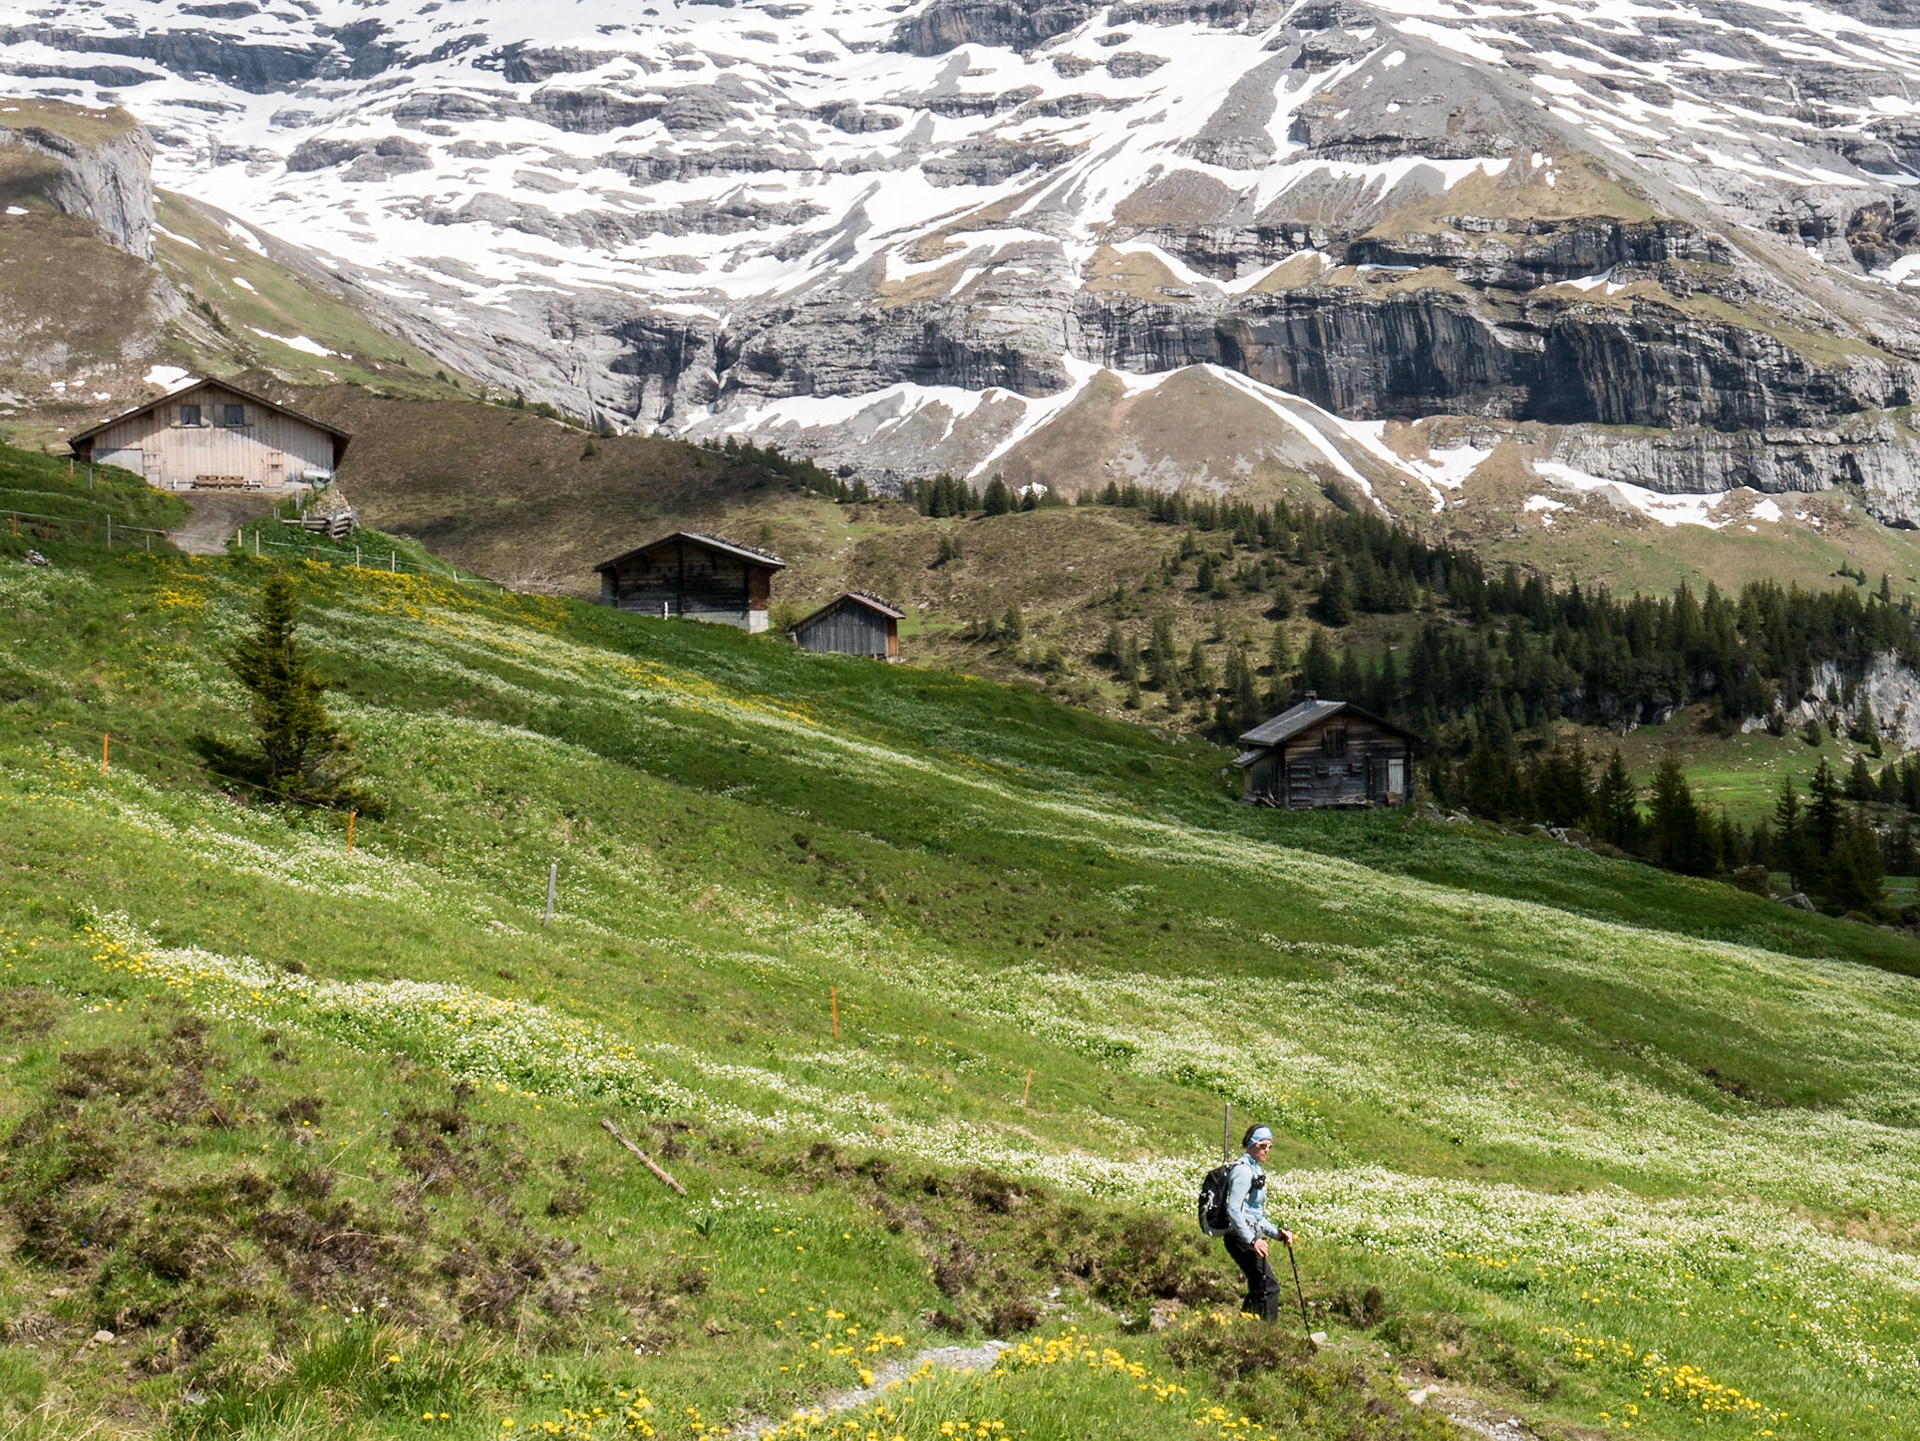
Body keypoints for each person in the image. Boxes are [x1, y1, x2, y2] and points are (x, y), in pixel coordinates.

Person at [1223, 1124, 1293, 1322]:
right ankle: (1267, 1335)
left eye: (1269, 1146)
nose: (1266, 1150)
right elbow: (1234, 1210)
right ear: (1252, 1145)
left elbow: (1256, 1215)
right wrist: (1253, 1241)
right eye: (1262, 1146)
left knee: (1258, 1284)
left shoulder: (1255, 1170)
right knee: (1269, 1286)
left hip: (1246, 1235)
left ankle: (1245, 1327)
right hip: (1239, 1237)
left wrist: (1277, 1234)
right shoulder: (1243, 1172)